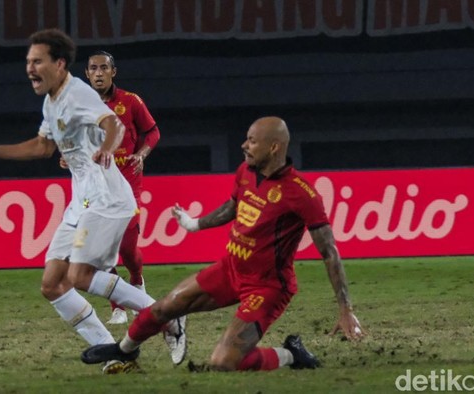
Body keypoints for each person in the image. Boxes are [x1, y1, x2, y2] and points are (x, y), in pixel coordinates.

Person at [0, 28, 185, 373]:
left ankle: (167, 317)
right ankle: (113, 353)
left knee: (80, 275)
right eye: (28, 61)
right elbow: (42, 147)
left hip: (106, 197)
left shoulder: (78, 93)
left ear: (59, 63)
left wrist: (107, 147)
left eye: (38, 61)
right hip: (82, 200)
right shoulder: (52, 101)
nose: (30, 68)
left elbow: (115, 126)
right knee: (53, 284)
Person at [81, 116, 365, 372]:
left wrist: (345, 308)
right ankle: (124, 351)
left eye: (252, 141)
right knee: (162, 309)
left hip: (267, 287)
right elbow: (232, 207)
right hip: (230, 270)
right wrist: (195, 224)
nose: (244, 145)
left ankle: (291, 355)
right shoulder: (245, 171)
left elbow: (329, 252)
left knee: (225, 362)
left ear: (275, 147)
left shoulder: (301, 193)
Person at [83, 50, 161, 325]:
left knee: (127, 247)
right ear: (87, 74)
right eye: (94, 68)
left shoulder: (130, 101)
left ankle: (137, 280)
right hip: (95, 186)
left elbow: (153, 132)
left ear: (113, 72)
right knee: (102, 249)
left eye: (104, 68)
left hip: (127, 183)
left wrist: (141, 154)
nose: (99, 73)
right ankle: (118, 305)